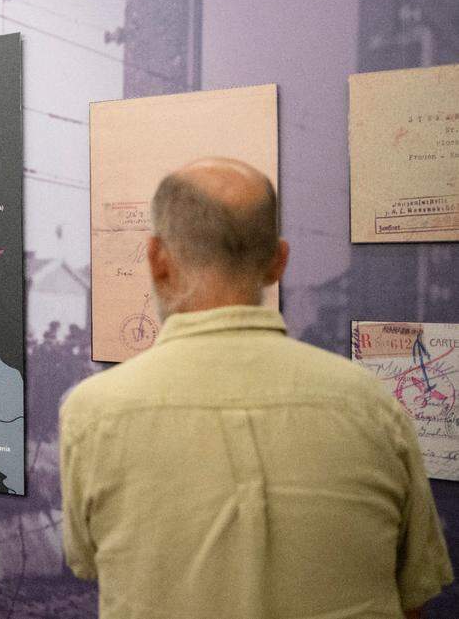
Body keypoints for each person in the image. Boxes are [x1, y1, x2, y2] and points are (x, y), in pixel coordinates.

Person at [59, 158, 453, 618]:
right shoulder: (372, 404)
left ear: (157, 260)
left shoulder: (93, 413)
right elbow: (414, 596)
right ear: (278, 262)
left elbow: (87, 563)